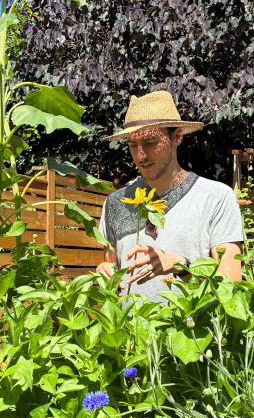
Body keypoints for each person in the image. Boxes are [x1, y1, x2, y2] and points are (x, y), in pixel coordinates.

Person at [96, 90, 243, 301]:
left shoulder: (216, 198)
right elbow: (111, 266)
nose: (140, 155)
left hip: (190, 331)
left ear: (177, 137)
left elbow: (231, 286)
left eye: (150, 142)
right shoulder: (115, 204)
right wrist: (104, 272)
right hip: (130, 332)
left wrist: (183, 268)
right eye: (132, 145)